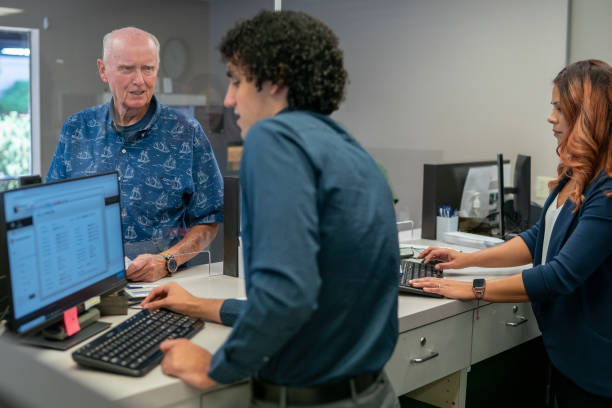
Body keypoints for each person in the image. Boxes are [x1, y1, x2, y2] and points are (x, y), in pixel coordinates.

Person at [142, 10, 400, 408]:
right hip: (372, 393)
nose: (229, 99)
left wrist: (215, 368)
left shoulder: (272, 138)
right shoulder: (349, 151)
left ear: (276, 79)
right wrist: (195, 305)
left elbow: (285, 297)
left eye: (236, 80)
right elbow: (315, 300)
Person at [411, 60, 612, 407]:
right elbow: (538, 238)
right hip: (565, 349)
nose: (551, 118)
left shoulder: (607, 192)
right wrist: (467, 260)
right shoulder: (579, 173)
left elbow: (560, 275)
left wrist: (474, 288)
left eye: (559, 108)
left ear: (587, 115)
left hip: (595, 366)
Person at [46, 27, 223, 282]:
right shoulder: (77, 129)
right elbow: (53, 209)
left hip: (164, 286)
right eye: (127, 69)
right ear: (103, 70)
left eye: (148, 68)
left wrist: (167, 261)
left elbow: (209, 221)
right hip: (87, 283)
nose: (139, 80)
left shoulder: (186, 132)